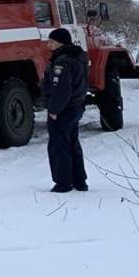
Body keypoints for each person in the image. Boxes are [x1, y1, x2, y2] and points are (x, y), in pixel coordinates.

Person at [41, 27, 89, 193]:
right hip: (75, 107)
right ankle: (79, 181)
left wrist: (54, 110)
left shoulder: (62, 62)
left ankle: (63, 183)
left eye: (51, 42)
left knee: (59, 146)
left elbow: (61, 89)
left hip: (64, 110)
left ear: (60, 42)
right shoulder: (78, 57)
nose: (49, 45)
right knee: (72, 143)